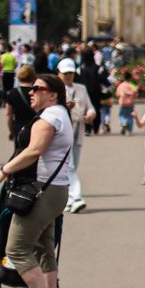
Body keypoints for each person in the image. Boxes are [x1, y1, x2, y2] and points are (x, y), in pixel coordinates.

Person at [0, 73, 76, 288]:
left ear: (53, 94)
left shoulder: (50, 116)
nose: (31, 91)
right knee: (43, 248)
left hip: (41, 189)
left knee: (16, 249)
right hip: (55, 189)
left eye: (37, 89)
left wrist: (2, 171)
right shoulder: (60, 113)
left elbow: (34, 150)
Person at [57, 59, 95, 214]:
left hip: (78, 131)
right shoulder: (54, 90)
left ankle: (68, 200)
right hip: (61, 132)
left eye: (71, 73)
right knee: (70, 167)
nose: (68, 76)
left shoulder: (81, 89)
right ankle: (77, 197)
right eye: (65, 73)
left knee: (73, 166)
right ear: (58, 73)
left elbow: (90, 107)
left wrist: (91, 113)